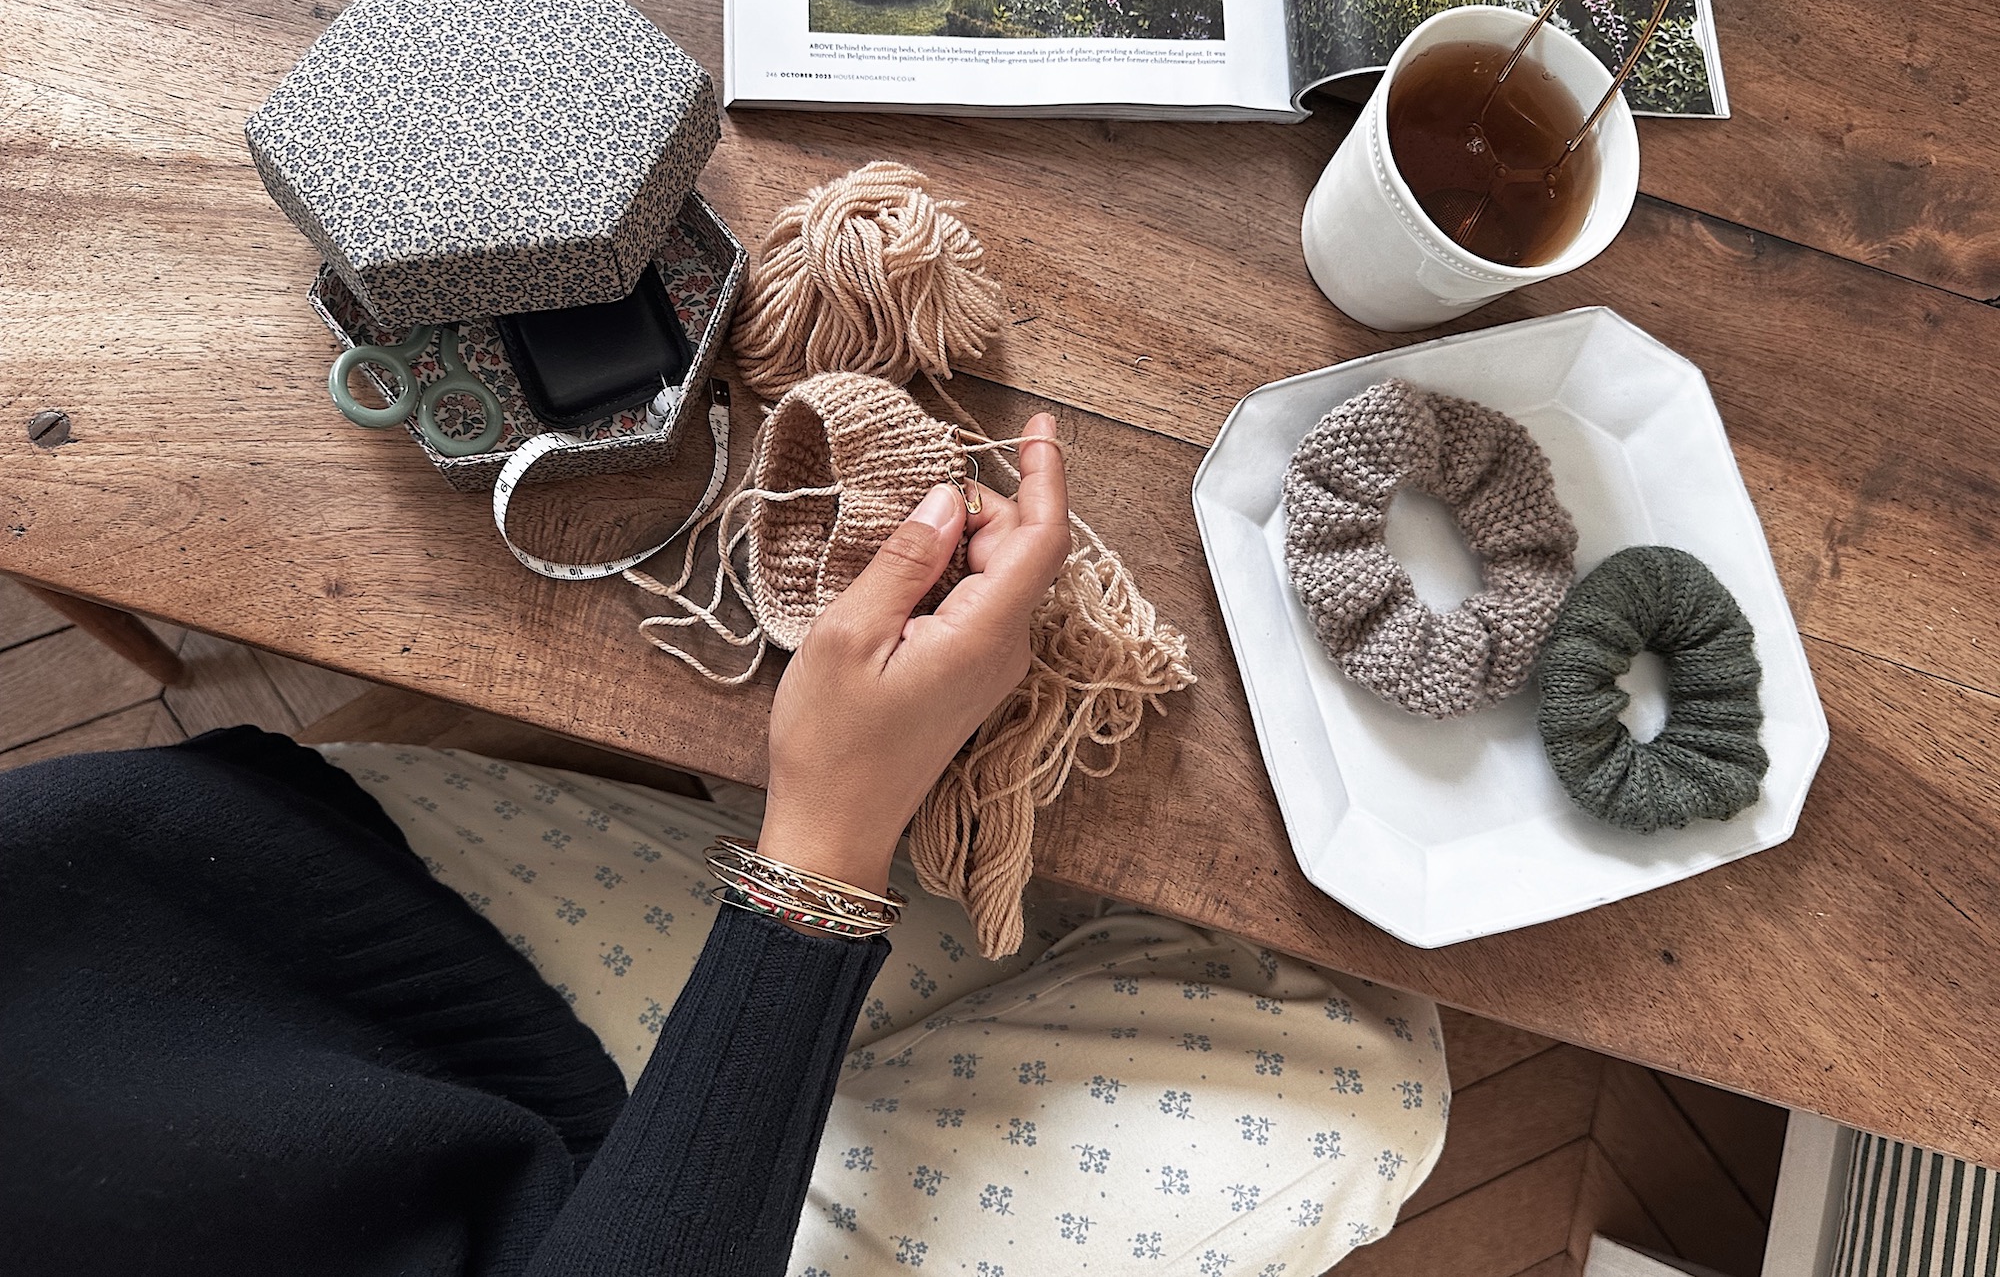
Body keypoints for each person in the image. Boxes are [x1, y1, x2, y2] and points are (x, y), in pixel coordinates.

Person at [0, 415, 1446, 1276]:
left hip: (281, 909)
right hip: (567, 1227)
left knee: (1047, 872)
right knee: (1370, 1050)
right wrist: (824, 841)